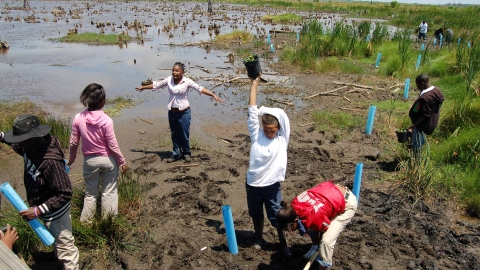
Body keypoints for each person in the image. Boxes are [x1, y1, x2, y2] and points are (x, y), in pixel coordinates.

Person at [0, 114, 80, 270]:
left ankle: (70, 266)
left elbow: (65, 193)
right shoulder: (29, 147)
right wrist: (3, 137)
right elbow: (17, 147)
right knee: (57, 241)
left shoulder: (50, 161)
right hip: (46, 211)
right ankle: (57, 256)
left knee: (66, 247)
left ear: (33, 138)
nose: (18, 144)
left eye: (20, 140)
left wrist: (38, 210)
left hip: (57, 214)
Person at [135, 62, 224, 163]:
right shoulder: (169, 80)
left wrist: (212, 94)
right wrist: (143, 87)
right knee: (174, 134)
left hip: (184, 113)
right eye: (173, 70)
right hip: (172, 112)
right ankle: (176, 154)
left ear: (182, 72)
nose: (174, 72)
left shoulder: (187, 81)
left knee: (184, 134)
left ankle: (186, 153)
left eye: (177, 71)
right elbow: (157, 85)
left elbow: (199, 88)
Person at [68, 83, 127, 222]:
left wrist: (71, 159)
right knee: (109, 193)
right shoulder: (107, 120)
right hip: (108, 160)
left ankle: (86, 223)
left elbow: (73, 142)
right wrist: (122, 161)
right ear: (102, 101)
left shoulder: (78, 118)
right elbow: (112, 145)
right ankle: (109, 222)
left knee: (90, 194)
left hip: (90, 161)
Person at [246, 76, 291, 256]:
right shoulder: (256, 135)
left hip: (272, 187)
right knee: (256, 214)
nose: (269, 133)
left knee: (277, 216)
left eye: (272, 130)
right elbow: (251, 110)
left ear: (278, 128)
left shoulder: (282, 138)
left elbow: (281, 114)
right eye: (266, 130)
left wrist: (263, 110)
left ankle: (283, 243)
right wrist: (254, 84)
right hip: (253, 185)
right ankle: (258, 238)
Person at [277, 180, 357, 269]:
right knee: (309, 226)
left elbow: (324, 228)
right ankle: (315, 246)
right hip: (331, 193)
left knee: (326, 241)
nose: (289, 230)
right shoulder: (293, 206)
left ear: (296, 219)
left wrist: (322, 244)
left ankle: (324, 264)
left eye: (289, 227)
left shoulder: (316, 218)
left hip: (346, 203)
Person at [407, 74, 445, 150]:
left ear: (422, 83)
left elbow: (425, 114)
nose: (417, 87)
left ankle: (416, 160)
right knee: (420, 143)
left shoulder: (426, 98)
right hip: (431, 122)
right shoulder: (436, 90)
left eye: (417, 85)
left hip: (423, 126)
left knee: (417, 146)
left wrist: (413, 125)